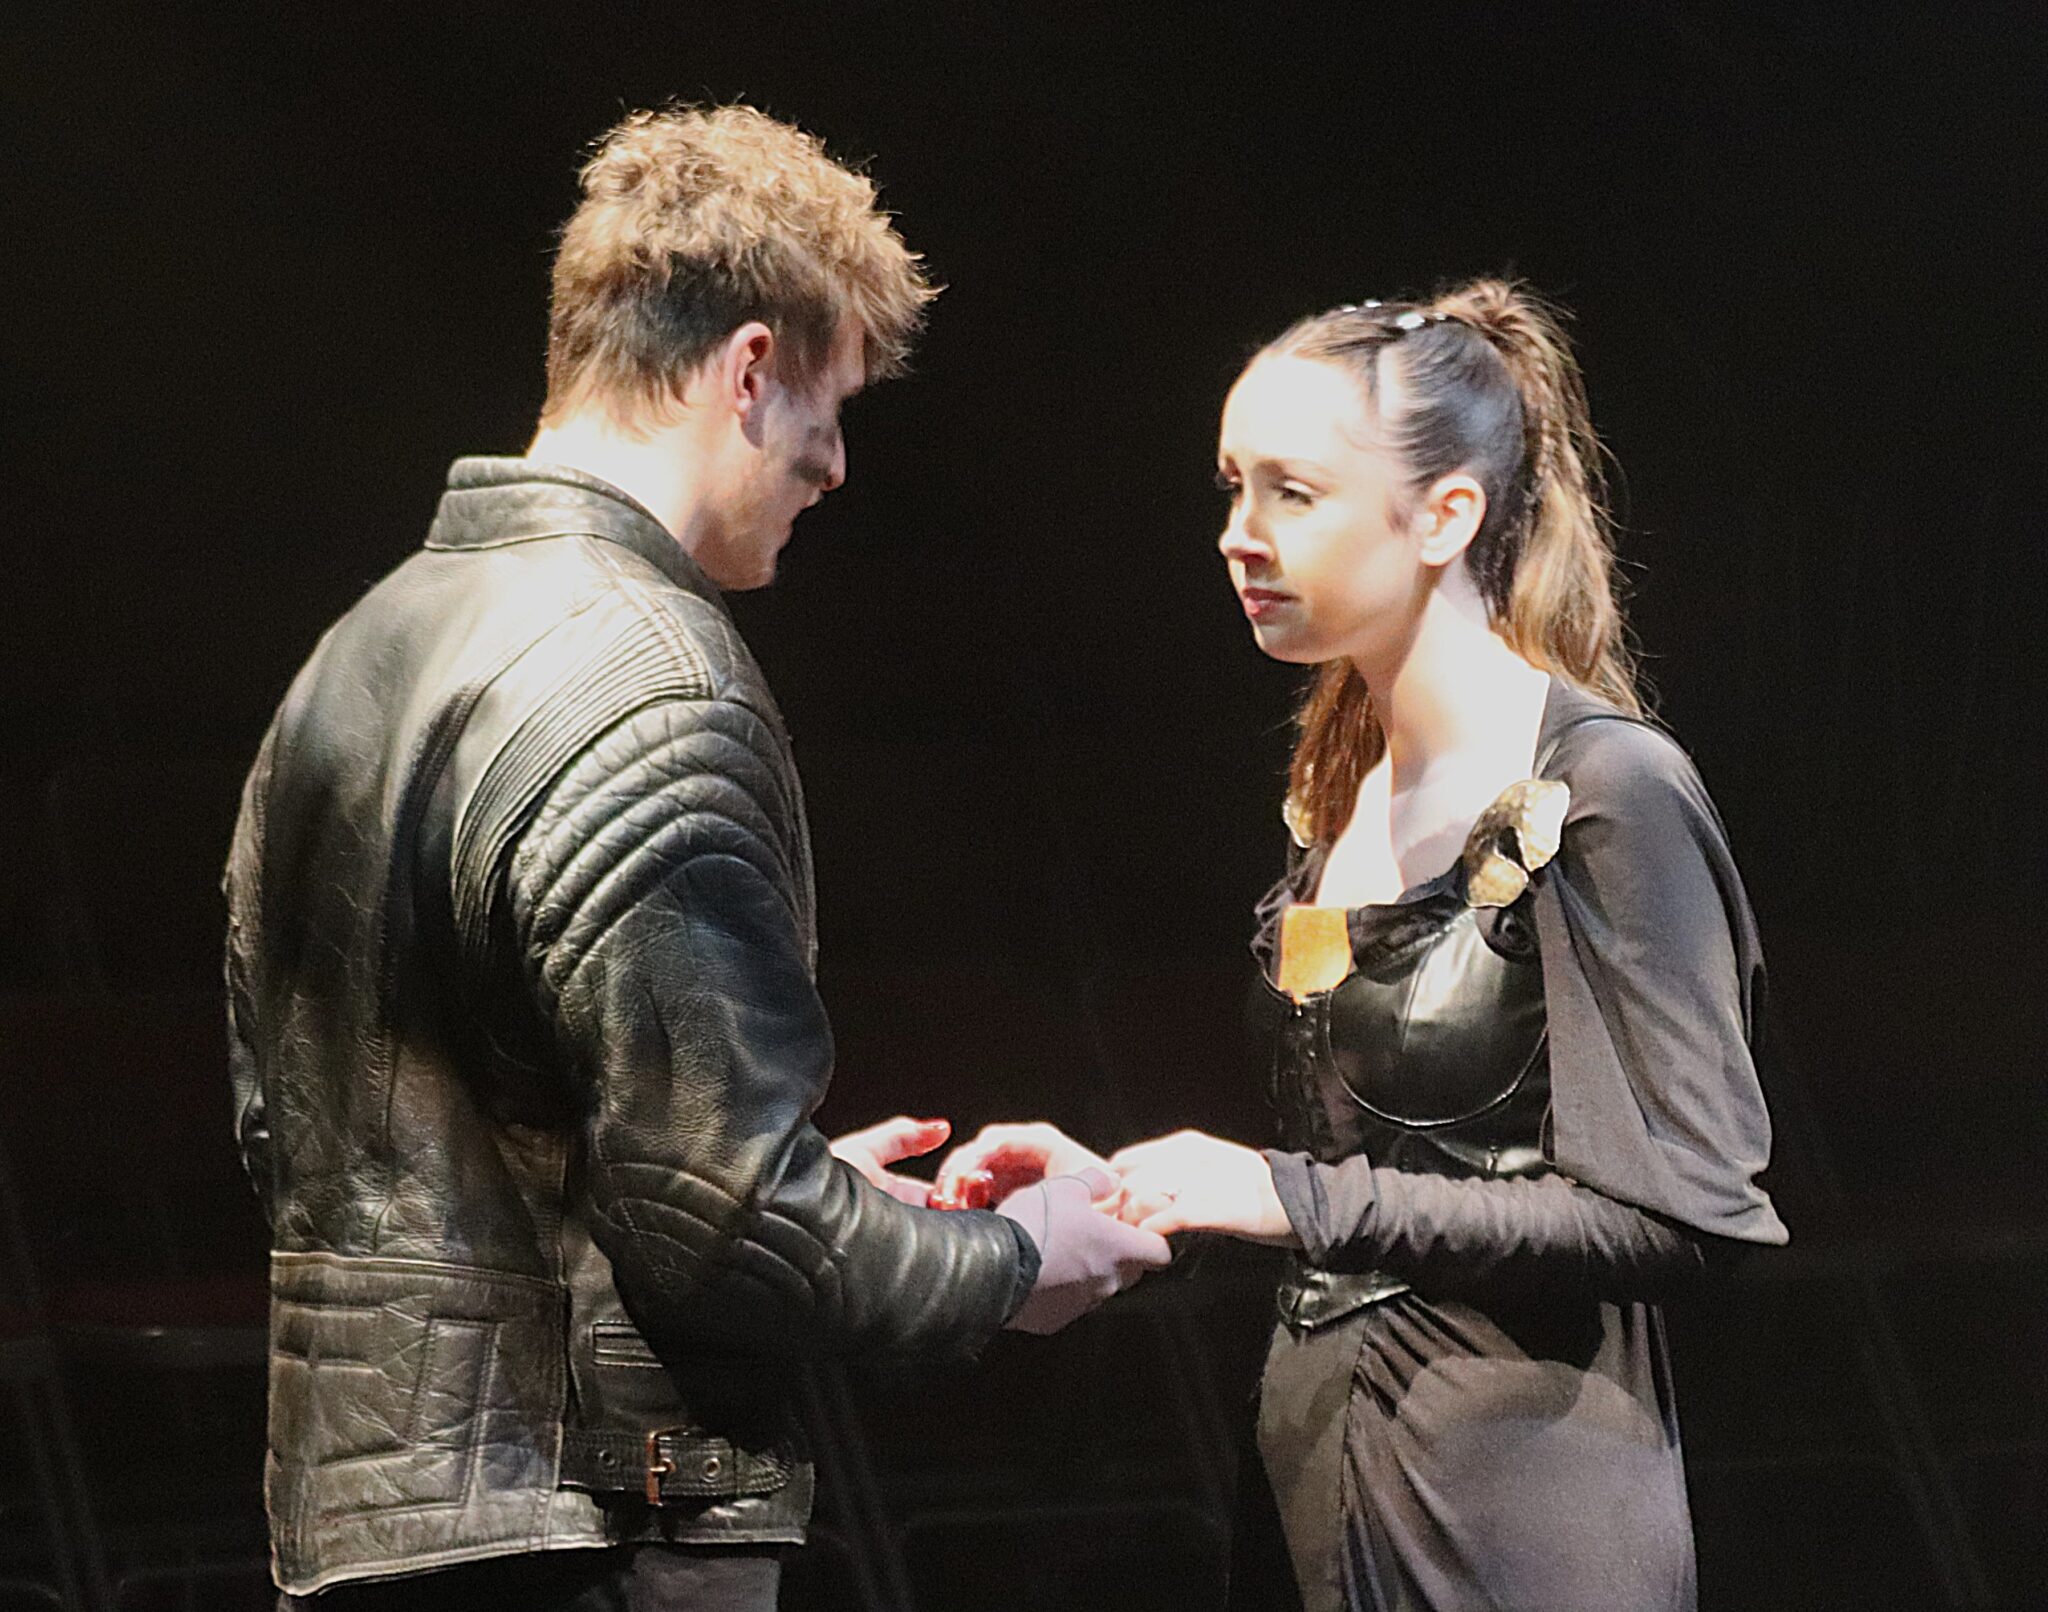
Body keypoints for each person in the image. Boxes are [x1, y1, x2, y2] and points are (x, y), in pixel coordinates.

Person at [222, 103, 1168, 1612]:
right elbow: (721, 1228)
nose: (837, 465)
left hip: (364, 1530)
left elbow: (320, 1141)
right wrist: (1006, 1265)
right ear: (745, 369)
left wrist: (801, 1195)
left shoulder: (361, 644)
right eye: (828, 405)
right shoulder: (654, 675)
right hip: (590, 1531)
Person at [939, 279, 1787, 1611]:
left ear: (1445, 513)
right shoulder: (1338, 790)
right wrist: (1135, 1189)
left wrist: (1286, 1198)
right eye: (1232, 488)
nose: (1239, 534)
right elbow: (1374, 1159)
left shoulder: (1613, 790)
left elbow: (1689, 1213)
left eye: (1294, 493)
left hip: (1514, 1498)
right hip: (1315, 1457)